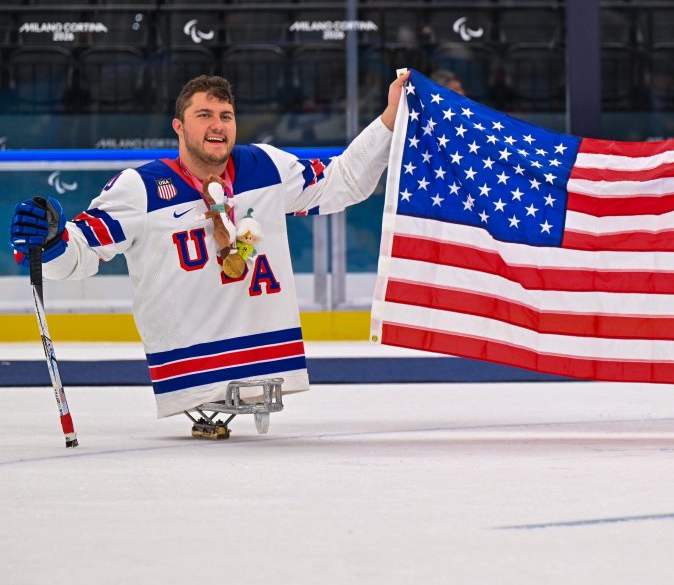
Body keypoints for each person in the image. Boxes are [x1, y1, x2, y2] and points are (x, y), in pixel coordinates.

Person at [8, 72, 407, 419]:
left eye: (226, 116)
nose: (217, 125)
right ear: (178, 126)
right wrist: (50, 242)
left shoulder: (266, 167)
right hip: (190, 373)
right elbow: (81, 254)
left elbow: (346, 181)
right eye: (204, 115)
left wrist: (391, 117)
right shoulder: (140, 188)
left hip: (267, 363)